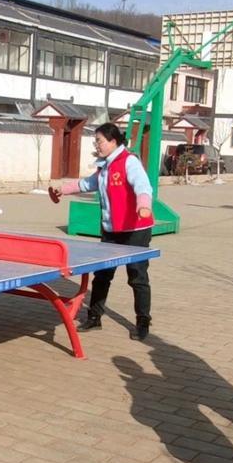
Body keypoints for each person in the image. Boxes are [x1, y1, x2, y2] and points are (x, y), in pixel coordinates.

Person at [51, 123, 154, 341]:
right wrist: (63, 189)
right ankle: (94, 317)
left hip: (135, 229)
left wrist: (144, 205)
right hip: (111, 229)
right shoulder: (105, 166)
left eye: (100, 141)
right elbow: (88, 183)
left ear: (113, 141)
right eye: (95, 141)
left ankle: (143, 321)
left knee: (137, 277)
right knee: (102, 275)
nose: (97, 145)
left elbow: (143, 186)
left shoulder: (129, 161)